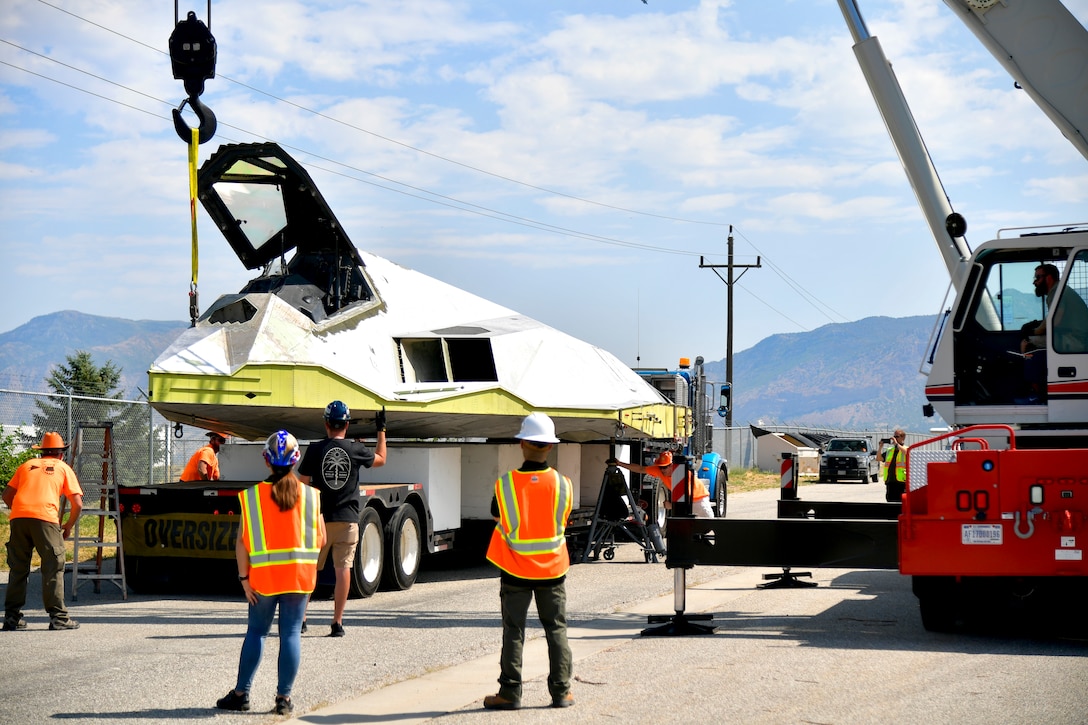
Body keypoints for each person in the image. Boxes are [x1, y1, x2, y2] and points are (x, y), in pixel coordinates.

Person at [216, 430, 326, 717]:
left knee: (256, 633)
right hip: (299, 578)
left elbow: (241, 542)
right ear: (295, 461)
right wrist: (309, 572)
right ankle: (284, 698)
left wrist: (244, 579)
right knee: (290, 633)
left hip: (263, 580)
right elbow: (322, 539)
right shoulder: (312, 497)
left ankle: (241, 694)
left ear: (266, 461)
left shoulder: (251, 497)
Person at [483, 412, 574, 711]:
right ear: (550, 446)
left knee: (514, 631)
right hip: (553, 569)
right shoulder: (564, 485)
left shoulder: (505, 484)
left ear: (522, 443)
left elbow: (499, 517)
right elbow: (561, 520)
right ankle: (561, 692)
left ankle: (510, 693)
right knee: (556, 629)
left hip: (515, 569)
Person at [298, 400, 386, 637]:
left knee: (310, 570)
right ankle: (337, 623)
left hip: (320, 521)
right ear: (347, 425)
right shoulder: (356, 450)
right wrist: (381, 430)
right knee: (343, 570)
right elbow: (380, 459)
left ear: (326, 424)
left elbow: (303, 485)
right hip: (348, 520)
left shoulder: (315, 449)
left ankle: (302, 620)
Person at [3, 431, 84, 631]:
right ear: (61, 454)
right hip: (46, 519)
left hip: (19, 519)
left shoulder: (26, 466)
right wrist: (67, 526)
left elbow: (6, 496)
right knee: (53, 567)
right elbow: (78, 504)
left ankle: (12, 618)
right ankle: (59, 618)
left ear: (41, 452)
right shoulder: (63, 468)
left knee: (18, 568)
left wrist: (22, 511)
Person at [609, 450, 713, 518]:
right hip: (686, 504)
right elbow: (640, 468)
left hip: (699, 500)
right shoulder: (659, 470)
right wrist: (620, 463)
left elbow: (686, 497)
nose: (662, 470)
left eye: (664, 467)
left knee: (710, 525)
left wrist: (672, 505)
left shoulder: (681, 474)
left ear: (672, 465)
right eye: (660, 467)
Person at [879, 429, 908, 503]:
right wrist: (880, 447)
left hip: (901, 482)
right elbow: (879, 458)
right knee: (890, 501)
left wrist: (896, 444)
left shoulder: (906, 449)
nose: (895, 438)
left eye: (897, 436)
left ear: (903, 438)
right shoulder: (890, 450)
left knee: (900, 503)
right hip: (890, 482)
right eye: (894, 436)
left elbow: (906, 453)